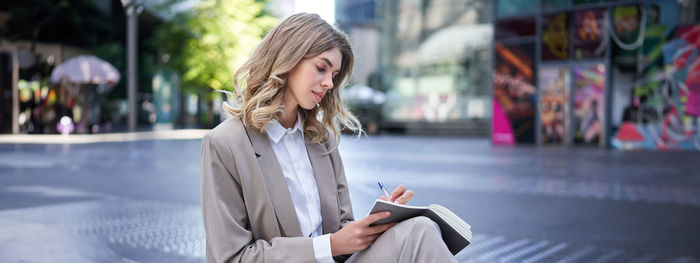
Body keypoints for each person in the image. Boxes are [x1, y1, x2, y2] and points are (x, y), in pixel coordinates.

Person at [200, 13, 456, 263]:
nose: (330, 84)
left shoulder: (321, 140)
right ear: (287, 59)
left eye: (334, 75)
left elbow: (342, 234)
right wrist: (330, 245)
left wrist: (375, 222)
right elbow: (232, 256)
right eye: (321, 68)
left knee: (421, 229)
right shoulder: (225, 144)